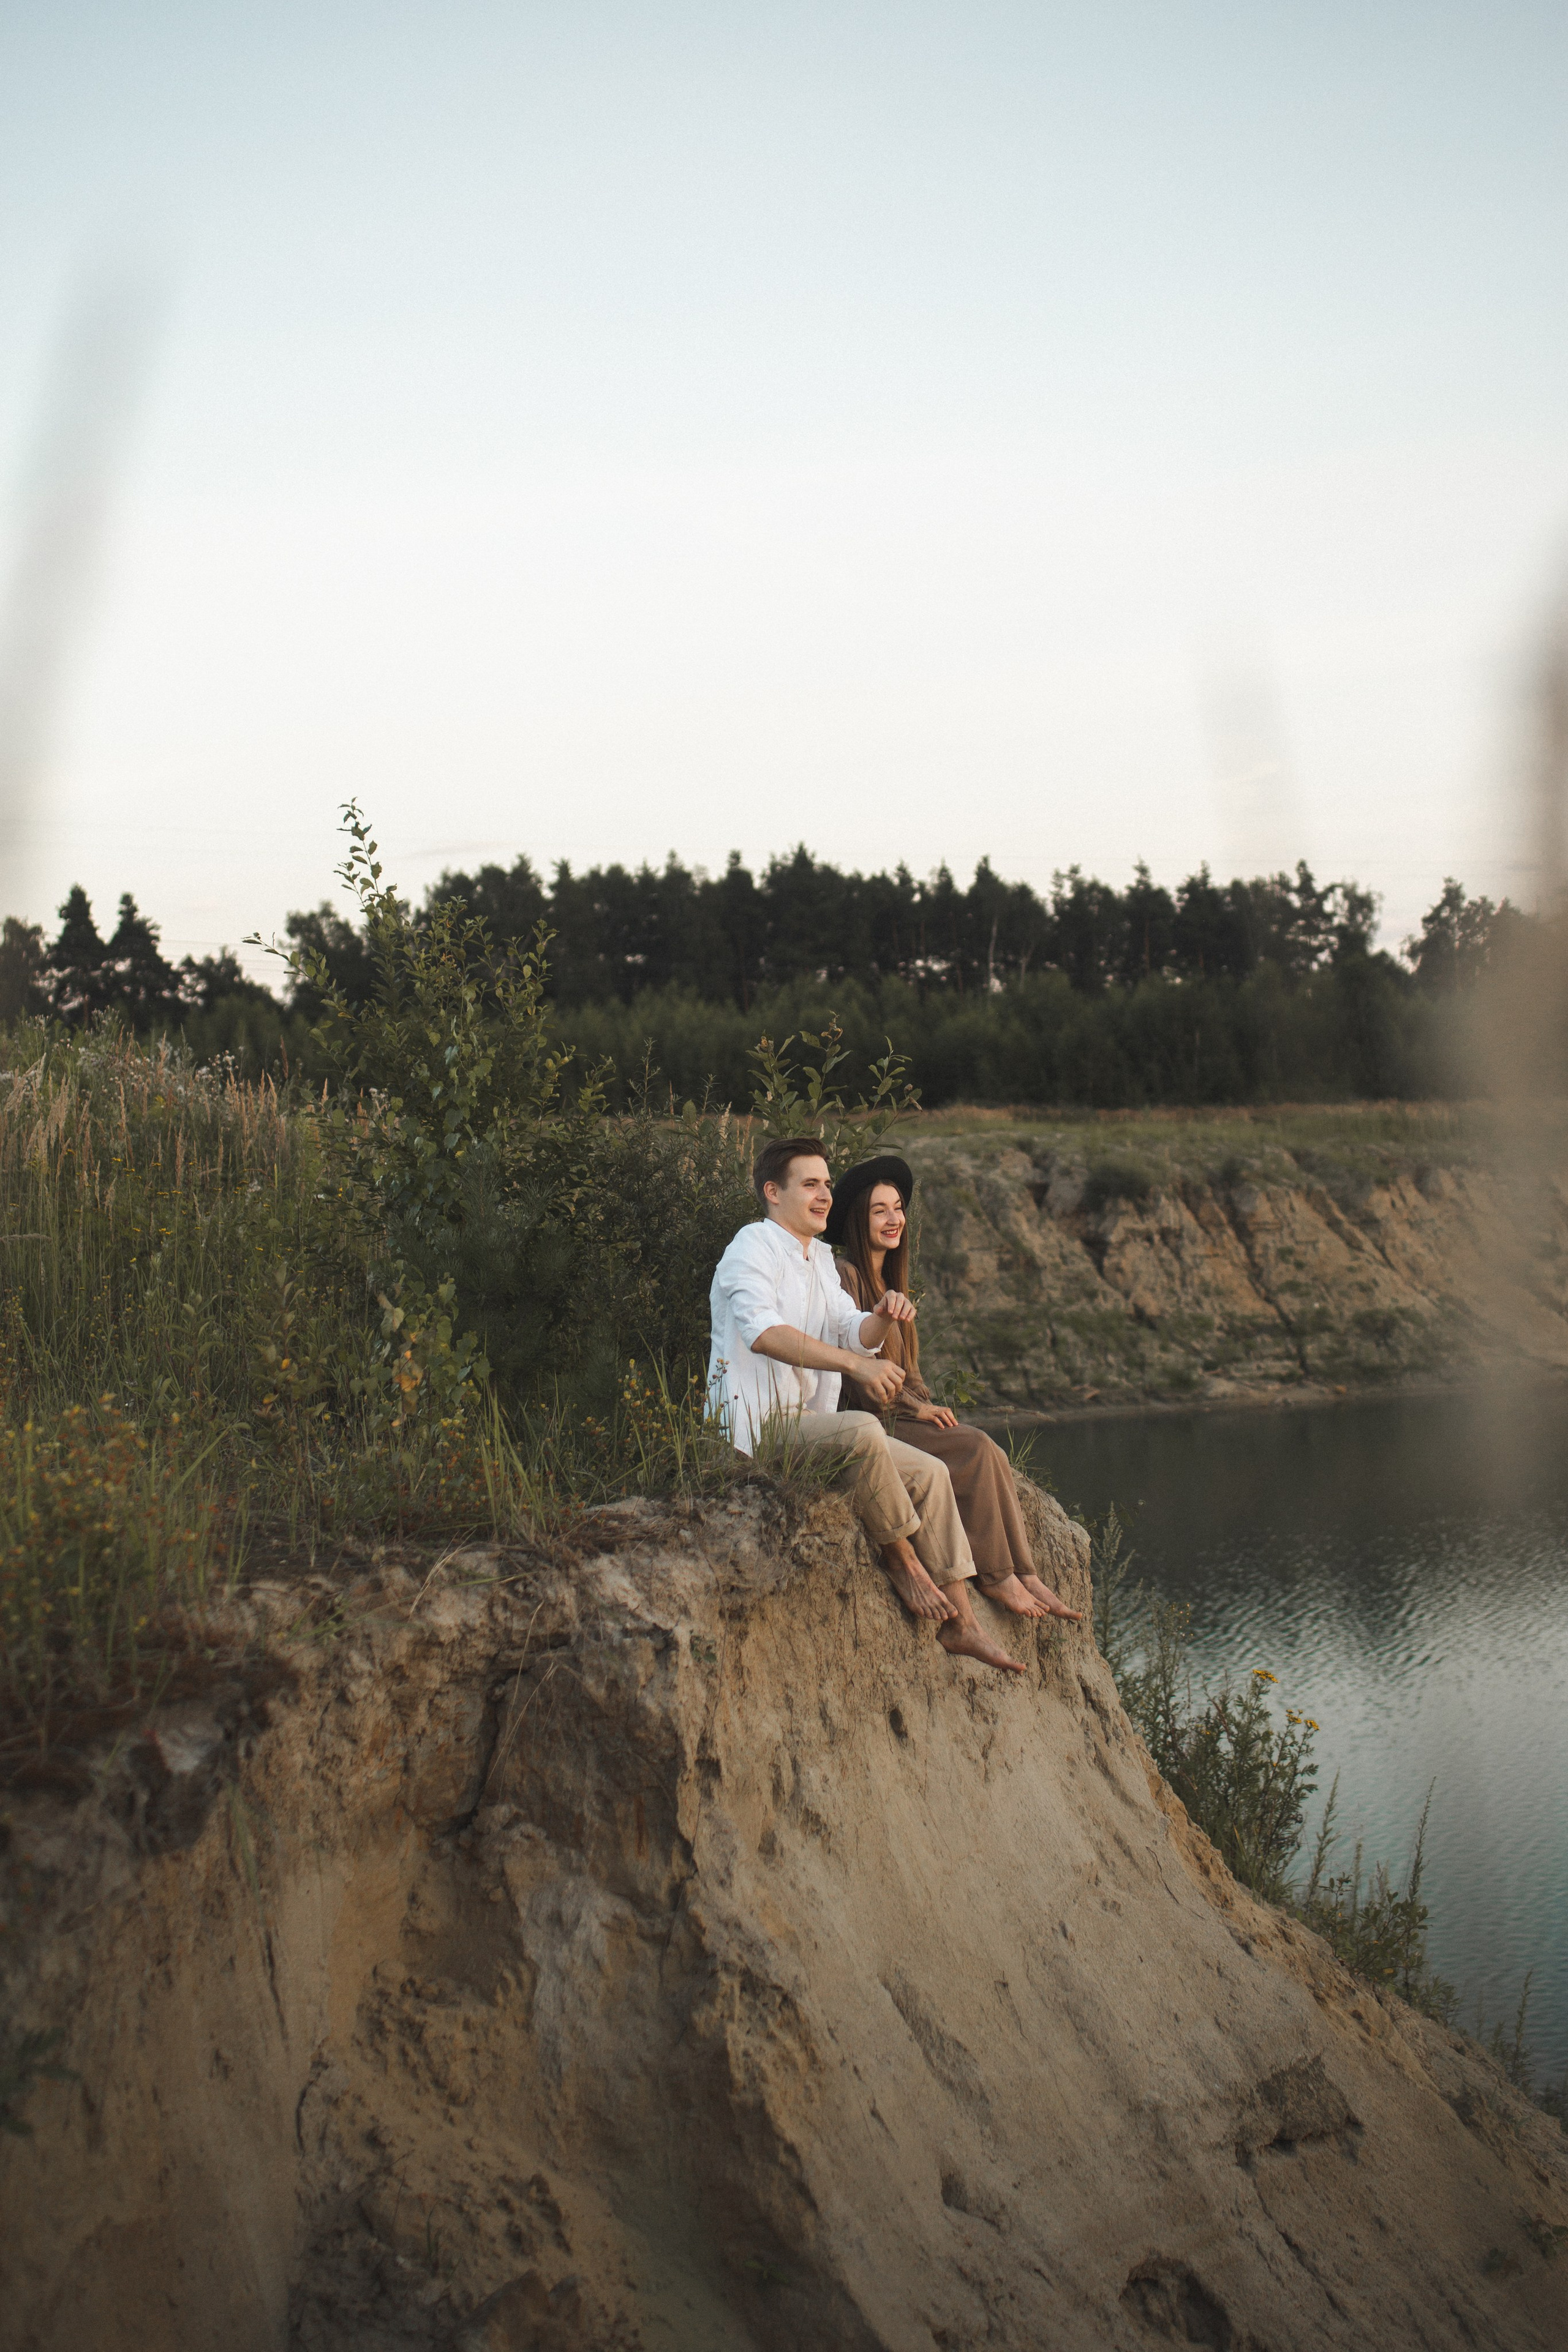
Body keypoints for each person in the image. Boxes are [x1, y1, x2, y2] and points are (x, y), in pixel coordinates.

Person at [707, 1135, 1027, 1673]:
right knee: (861, 1430)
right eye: (810, 1184)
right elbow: (763, 1333)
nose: (824, 1195)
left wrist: (882, 1314)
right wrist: (856, 1367)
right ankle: (903, 1560)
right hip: (754, 1429)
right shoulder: (752, 1247)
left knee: (931, 1473)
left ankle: (963, 1621)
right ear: (773, 1193)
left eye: (827, 1185)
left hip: (807, 1425)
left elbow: (853, 1330)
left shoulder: (819, 1261)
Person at [826, 1153, 1082, 1624]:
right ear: (859, 1221)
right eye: (880, 1210)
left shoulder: (892, 1281)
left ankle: (1026, 1574)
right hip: (873, 1416)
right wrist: (914, 1408)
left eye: (898, 1208)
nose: (894, 1219)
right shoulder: (847, 1276)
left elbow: (911, 1372)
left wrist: (924, 1403)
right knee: (975, 1447)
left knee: (992, 1454)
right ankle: (997, 1576)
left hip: (902, 1410)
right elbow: (856, 1371)